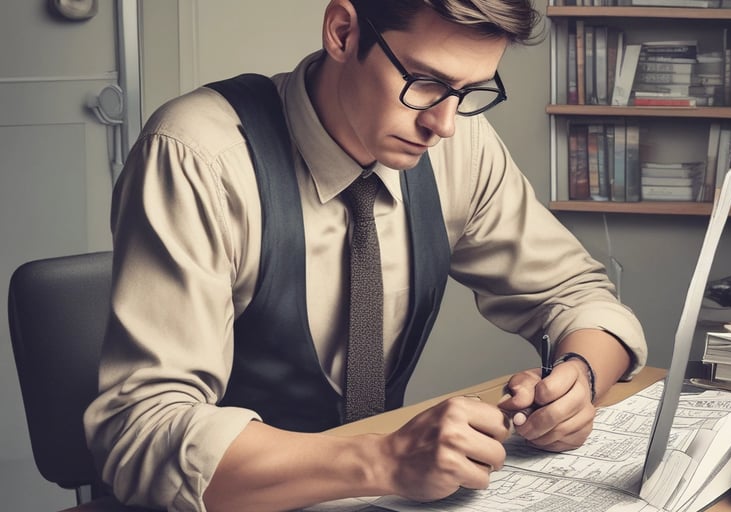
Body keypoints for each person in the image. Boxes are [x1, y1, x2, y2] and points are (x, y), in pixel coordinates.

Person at [84, 1, 648, 511]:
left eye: (469, 92)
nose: (443, 124)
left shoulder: (460, 144)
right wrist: (383, 461)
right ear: (342, 31)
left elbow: (575, 293)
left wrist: (580, 376)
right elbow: (144, 431)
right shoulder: (197, 156)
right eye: (425, 81)